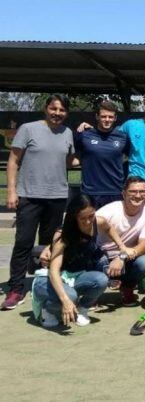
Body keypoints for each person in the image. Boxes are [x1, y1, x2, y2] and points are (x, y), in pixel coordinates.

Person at [3, 94, 76, 311]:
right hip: (30, 195)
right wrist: (11, 192)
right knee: (23, 243)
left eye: (62, 110)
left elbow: (71, 161)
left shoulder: (68, 133)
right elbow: (13, 160)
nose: (57, 114)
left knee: (48, 245)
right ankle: (16, 289)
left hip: (57, 197)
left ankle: (42, 284)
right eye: (54, 109)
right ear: (46, 109)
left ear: (66, 113)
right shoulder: (28, 129)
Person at [32, 195, 125, 328]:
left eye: (91, 216)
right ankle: (47, 310)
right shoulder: (62, 235)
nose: (88, 222)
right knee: (70, 296)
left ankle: (82, 309)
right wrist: (66, 300)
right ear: (74, 216)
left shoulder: (98, 221)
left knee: (101, 280)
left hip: (75, 275)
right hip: (50, 279)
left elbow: (109, 228)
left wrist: (122, 247)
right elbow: (53, 271)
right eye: (82, 218)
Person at [95, 177, 145, 306]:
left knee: (144, 262)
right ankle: (93, 294)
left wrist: (121, 257)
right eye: (133, 191)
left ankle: (127, 288)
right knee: (98, 259)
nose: (138, 195)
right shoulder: (111, 209)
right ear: (123, 193)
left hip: (127, 256)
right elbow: (85, 221)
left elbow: (143, 245)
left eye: (142, 192)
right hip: (102, 254)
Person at [75, 100, 129, 209]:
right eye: (103, 116)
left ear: (115, 118)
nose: (107, 120)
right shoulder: (84, 135)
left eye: (110, 117)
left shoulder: (123, 137)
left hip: (115, 191)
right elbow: (74, 156)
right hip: (90, 192)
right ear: (97, 117)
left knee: (113, 226)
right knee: (90, 225)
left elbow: (132, 158)